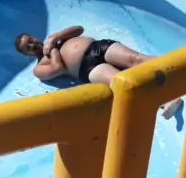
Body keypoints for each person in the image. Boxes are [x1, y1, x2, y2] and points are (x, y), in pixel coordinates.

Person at [14, 26, 183, 119]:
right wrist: (51, 49)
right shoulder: (39, 67)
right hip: (87, 69)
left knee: (136, 59)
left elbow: (79, 29)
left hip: (98, 47)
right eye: (28, 48)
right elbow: (58, 68)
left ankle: (176, 66)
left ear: (33, 36)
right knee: (123, 82)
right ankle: (167, 99)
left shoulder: (55, 38)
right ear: (27, 54)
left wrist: (54, 37)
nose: (32, 45)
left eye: (30, 40)